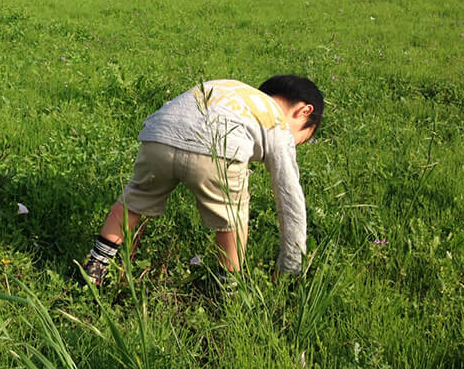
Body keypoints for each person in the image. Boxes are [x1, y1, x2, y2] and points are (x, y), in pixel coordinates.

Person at [80, 76, 323, 287]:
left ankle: (96, 267)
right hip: (217, 149)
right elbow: (290, 199)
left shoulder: (232, 88)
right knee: (231, 219)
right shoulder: (277, 122)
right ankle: (228, 285)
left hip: (159, 136)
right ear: (304, 111)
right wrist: (290, 266)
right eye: (301, 138)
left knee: (133, 201)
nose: (295, 143)